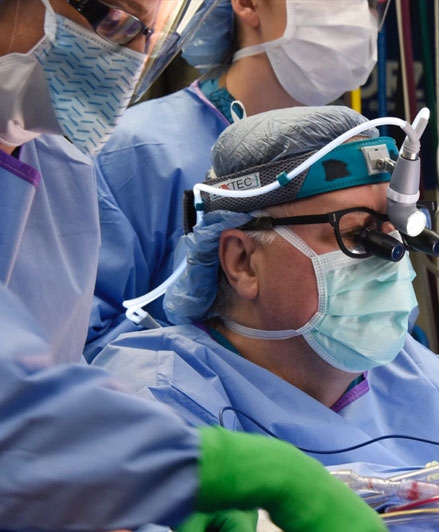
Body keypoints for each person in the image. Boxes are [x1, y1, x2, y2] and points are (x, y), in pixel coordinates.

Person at [92, 105, 439, 501]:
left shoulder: (410, 375)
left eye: (393, 231)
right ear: (243, 263)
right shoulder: (161, 397)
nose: (391, 260)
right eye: (357, 234)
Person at [0, 1, 387, 530]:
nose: (132, 54)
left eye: (150, 36)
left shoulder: (57, 164)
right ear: (238, 259)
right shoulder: (137, 154)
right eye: (113, 20)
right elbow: (21, 399)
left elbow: (49, 390)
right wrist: (191, 464)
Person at [87, 0, 384, 359]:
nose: (358, 13)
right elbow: (82, 341)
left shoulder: (358, 157)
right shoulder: (137, 153)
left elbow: (385, 338)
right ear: (246, 4)